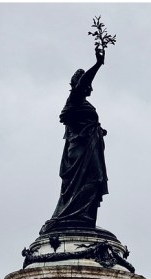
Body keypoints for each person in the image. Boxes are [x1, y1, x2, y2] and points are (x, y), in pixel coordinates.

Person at [40, 47, 108, 234]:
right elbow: (83, 83)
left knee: (95, 181)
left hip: (89, 148)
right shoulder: (75, 99)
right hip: (79, 152)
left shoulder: (83, 104)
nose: (91, 88)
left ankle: (84, 217)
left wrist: (99, 131)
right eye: (88, 84)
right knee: (86, 182)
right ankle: (70, 217)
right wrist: (98, 64)